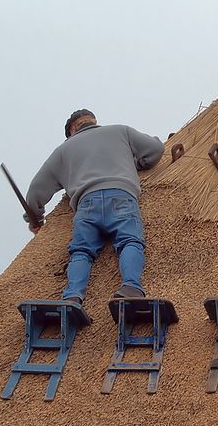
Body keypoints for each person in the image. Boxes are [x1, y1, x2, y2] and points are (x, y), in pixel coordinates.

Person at [25, 109, 165, 305]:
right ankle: (131, 287)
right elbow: (156, 149)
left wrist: (35, 218)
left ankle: (73, 296)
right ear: (93, 121)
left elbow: (36, 190)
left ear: (73, 129)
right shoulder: (120, 131)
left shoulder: (64, 150)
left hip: (86, 203)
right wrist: (137, 164)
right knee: (129, 241)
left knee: (81, 251)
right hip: (121, 196)